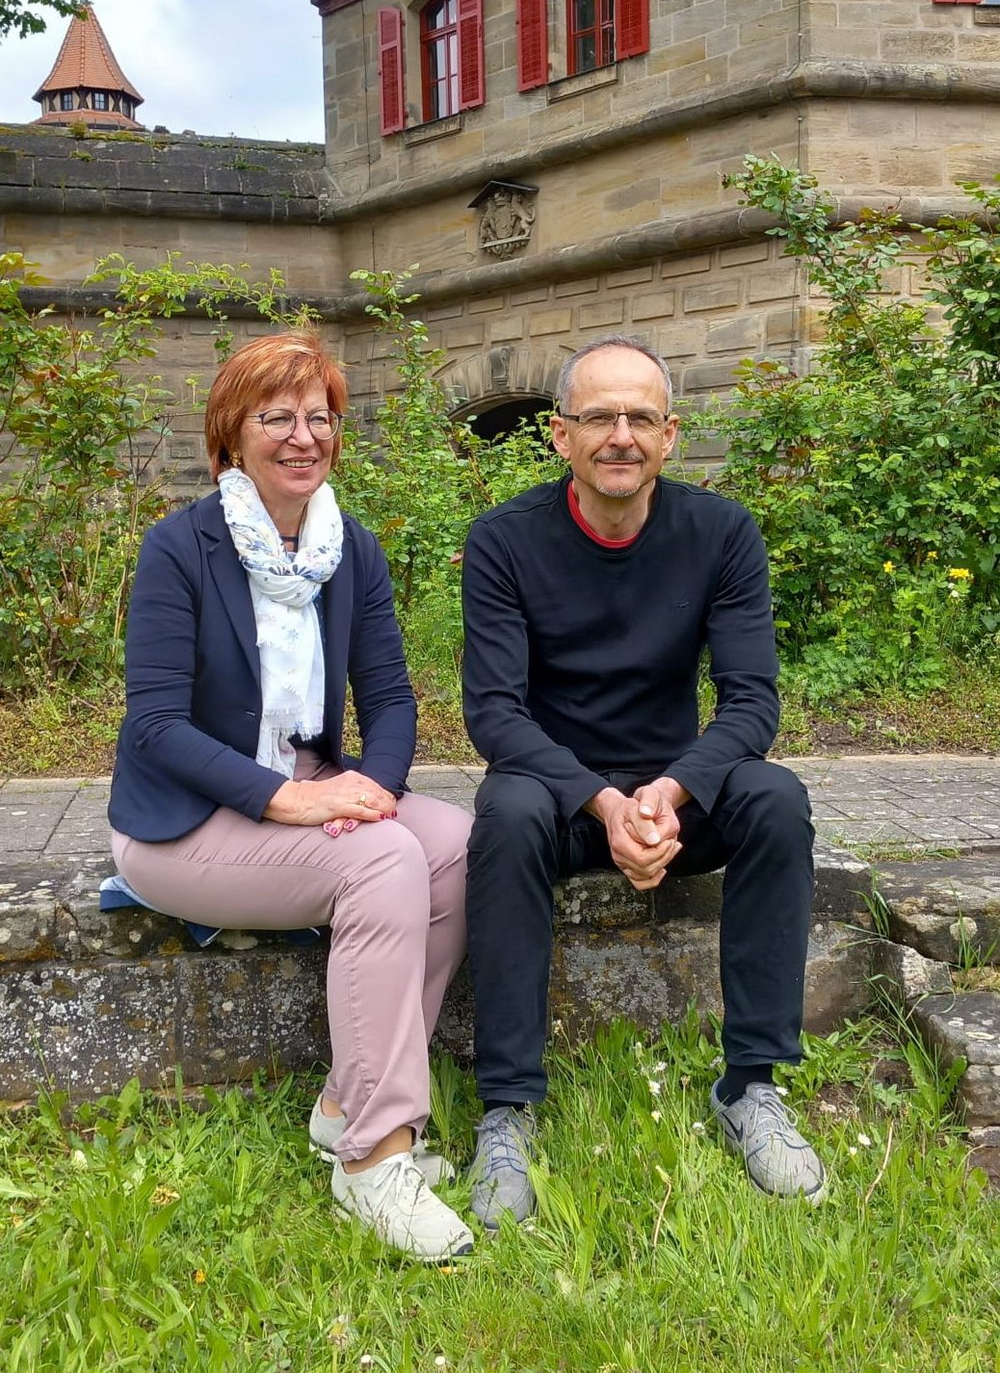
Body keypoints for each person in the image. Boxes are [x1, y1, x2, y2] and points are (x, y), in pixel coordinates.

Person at [108, 331, 474, 1262]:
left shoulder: (349, 548)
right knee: (382, 861)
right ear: (232, 433)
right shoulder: (179, 547)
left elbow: (390, 698)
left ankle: (347, 1104)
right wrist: (291, 801)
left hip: (306, 786)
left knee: (456, 846)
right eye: (277, 417)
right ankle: (374, 1160)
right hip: (183, 823)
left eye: (321, 418)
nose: (304, 437)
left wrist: (370, 791)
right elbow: (156, 726)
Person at [461, 335, 826, 1228]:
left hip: (672, 796)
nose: (619, 435)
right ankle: (509, 1108)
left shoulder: (722, 533)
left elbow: (751, 702)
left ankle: (750, 1086)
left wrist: (668, 794)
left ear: (670, 434)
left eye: (639, 417)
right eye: (598, 417)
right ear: (560, 435)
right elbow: (495, 715)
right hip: (559, 798)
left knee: (776, 799)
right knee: (504, 809)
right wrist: (601, 800)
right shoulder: (504, 540)